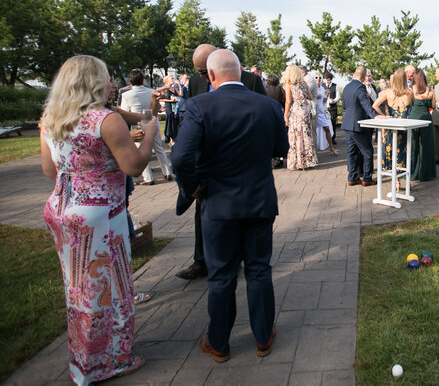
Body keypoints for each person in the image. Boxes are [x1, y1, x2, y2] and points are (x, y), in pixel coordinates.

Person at [41, 55, 158, 384]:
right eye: (106, 78)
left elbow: (50, 170)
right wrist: (149, 133)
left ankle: (84, 360)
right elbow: (134, 166)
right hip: (101, 215)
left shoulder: (51, 118)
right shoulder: (105, 120)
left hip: (63, 210)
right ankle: (113, 361)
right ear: (93, 82)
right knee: (114, 289)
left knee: (78, 291)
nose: (112, 84)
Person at [171, 49, 289, 363]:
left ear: (210, 76)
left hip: (219, 203)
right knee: (259, 269)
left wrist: (192, 187)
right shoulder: (268, 105)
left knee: (221, 275)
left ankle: (220, 343)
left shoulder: (198, 106)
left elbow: (180, 157)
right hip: (259, 199)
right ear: (240, 73)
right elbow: (281, 148)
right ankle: (263, 337)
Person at [174, 44, 266, 282]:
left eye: (204, 72)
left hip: (242, 170)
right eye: (198, 73)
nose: (203, 77)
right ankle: (200, 261)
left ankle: (234, 260)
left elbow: (264, 117)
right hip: (205, 169)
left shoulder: (249, 81)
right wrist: (190, 184)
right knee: (201, 215)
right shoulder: (195, 83)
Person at [120, 68, 173, 185]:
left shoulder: (126, 95)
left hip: (138, 122)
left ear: (130, 81)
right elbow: (157, 107)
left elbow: (124, 112)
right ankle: (167, 172)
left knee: (141, 149)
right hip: (152, 120)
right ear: (143, 80)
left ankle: (148, 178)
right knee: (159, 148)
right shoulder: (151, 91)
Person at [341, 66, 382, 186]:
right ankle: (367, 178)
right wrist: (374, 116)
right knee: (367, 151)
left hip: (347, 123)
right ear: (364, 77)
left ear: (354, 74)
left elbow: (344, 105)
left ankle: (352, 177)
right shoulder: (360, 87)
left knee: (351, 152)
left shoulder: (347, 86)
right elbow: (365, 104)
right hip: (358, 124)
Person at [373, 69, 414, 185]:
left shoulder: (387, 92)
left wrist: (384, 116)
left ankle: (395, 179)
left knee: (391, 151)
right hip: (404, 128)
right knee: (403, 152)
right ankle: (401, 178)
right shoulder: (410, 92)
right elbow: (413, 104)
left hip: (391, 127)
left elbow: (375, 105)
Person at [282, 65, 317, 170]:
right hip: (305, 109)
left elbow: (288, 101)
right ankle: (309, 160)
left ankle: (297, 161)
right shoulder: (304, 83)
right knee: (307, 135)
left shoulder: (289, 85)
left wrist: (286, 114)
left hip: (296, 110)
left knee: (296, 135)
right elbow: (310, 97)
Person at [409, 69, 437, 181]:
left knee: (414, 145)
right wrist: (429, 95)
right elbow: (434, 106)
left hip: (414, 118)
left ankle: (413, 172)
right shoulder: (430, 89)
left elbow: (414, 99)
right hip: (426, 118)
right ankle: (426, 173)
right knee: (427, 146)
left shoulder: (411, 89)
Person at [313, 72, 338, 155]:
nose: (318, 79)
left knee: (327, 129)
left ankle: (331, 148)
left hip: (321, 112)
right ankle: (313, 150)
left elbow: (324, 102)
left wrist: (326, 95)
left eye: (320, 78)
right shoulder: (312, 88)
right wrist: (315, 97)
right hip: (314, 112)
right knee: (313, 131)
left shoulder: (322, 89)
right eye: (316, 77)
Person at [323, 72, 339, 144]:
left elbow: (338, 96)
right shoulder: (322, 86)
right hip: (324, 107)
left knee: (333, 122)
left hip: (332, 107)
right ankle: (325, 138)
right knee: (324, 123)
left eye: (329, 79)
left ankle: (333, 138)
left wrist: (334, 100)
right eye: (326, 79)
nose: (327, 81)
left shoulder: (335, 86)